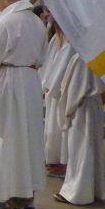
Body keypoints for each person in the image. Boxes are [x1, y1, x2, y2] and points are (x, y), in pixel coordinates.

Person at [0, 0, 48, 209]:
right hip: (31, 83)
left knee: (9, 141)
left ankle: (13, 205)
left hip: (9, 82)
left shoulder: (6, 23)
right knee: (29, 142)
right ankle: (27, 201)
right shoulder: (37, 23)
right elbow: (43, 57)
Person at [54, 52, 105, 205]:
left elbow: (76, 89)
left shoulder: (82, 58)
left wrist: (67, 110)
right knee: (92, 148)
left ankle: (76, 192)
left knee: (80, 149)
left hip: (82, 108)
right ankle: (94, 190)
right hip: (94, 105)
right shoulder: (99, 54)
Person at [40, 21, 74, 178]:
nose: (47, 15)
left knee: (59, 127)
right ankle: (53, 160)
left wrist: (52, 85)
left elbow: (63, 64)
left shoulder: (70, 39)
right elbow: (48, 62)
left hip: (62, 90)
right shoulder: (56, 37)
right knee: (52, 127)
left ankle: (62, 163)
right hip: (52, 88)